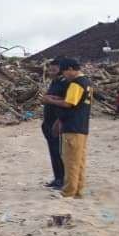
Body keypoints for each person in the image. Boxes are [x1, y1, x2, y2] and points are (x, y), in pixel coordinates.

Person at [43, 59, 92, 199]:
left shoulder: (76, 83)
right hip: (81, 126)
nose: (64, 75)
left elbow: (68, 103)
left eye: (64, 72)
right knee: (79, 161)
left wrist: (50, 100)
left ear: (70, 69)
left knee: (71, 161)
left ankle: (68, 191)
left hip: (72, 126)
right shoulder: (87, 83)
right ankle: (78, 190)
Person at [40, 59, 67, 189]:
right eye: (49, 69)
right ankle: (57, 178)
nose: (50, 72)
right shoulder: (54, 82)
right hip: (48, 122)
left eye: (54, 70)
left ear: (61, 70)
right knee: (53, 152)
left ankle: (63, 179)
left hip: (57, 122)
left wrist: (59, 120)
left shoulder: (65, 83)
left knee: (59, 151)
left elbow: (67, 102)